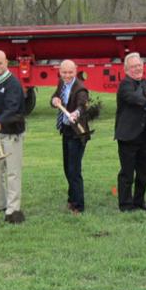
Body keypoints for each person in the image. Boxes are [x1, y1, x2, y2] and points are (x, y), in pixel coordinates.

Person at [115, 52, 146, 212]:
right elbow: (134, 98)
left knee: (145, 170)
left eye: (139, 66)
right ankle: (126, 205)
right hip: (128, 136)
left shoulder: (145, 83)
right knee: (127, 173)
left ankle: (139, 201)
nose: (137, 69)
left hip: (143, 137)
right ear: (126, 69)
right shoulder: (125, 85)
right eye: (133, 67)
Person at [0, 50, 27, 224]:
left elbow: (13, 107)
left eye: (0, 63)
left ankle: (13, 208)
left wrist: (1, 121)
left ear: (6, 63)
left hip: (11, 134)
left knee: (12, 172)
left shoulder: (13, 83)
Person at [51, 59, 91, 214]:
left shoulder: (81, 89)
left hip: (78, 133)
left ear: (76, 71)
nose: (67, 75)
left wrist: (76, 112)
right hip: (66, 131)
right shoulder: (61, 83)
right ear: (60, 72)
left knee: (74, 170)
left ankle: (79, 206)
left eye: (70, 72)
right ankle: (71, 198)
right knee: (67, 168)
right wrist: (54, 100)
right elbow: (55, 98)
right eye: (64, 72)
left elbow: (83, 105)